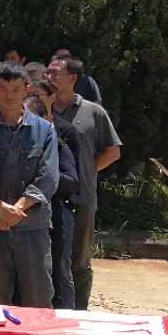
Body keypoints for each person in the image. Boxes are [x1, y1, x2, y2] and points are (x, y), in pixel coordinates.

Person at [0, 62, 59, 308]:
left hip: (32, 227)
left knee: (38, 299)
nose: (10, 95)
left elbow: (48, 177)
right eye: (3, 89)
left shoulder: (44, 130)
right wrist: (1, 207)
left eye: (16, 89)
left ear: (26, 89)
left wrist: (16, 209)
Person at [47, 55, 121, 309]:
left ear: (72, 78)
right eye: (48, 73)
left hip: (82, 197)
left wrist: (87, 172)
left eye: (56, 73)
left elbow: (113, 151)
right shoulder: (41, 108)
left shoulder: (93, 112)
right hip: (47, 197)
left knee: (79, 259)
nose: (50, 78)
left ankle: (80, 310)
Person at [26, 84, 80, 309]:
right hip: (27, 215)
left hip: (58, 210)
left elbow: (72, 181)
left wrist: (45, 180)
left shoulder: (58, 141)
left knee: (60, 270)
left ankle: (67, 315)